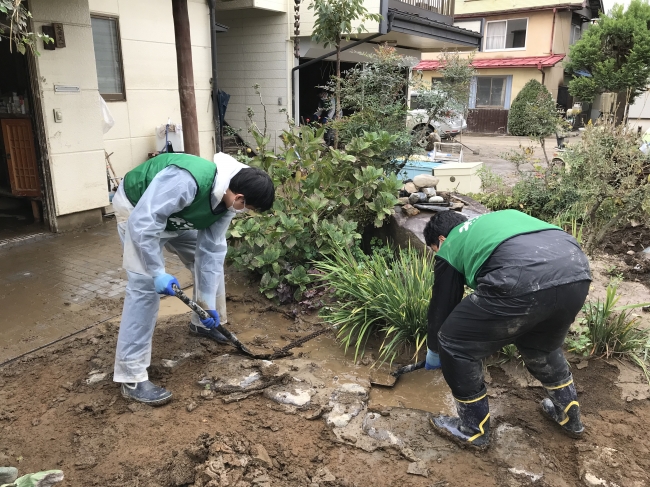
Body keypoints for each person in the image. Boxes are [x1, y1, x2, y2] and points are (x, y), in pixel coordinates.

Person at [111, 152, 274, 406]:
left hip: (173, 217)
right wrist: (156, 272)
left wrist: (206, 303)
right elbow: (144, 223)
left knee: (212, 263)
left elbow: (210, 250)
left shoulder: (228, 201)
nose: (245, 212)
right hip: (136, 210)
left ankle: (202, 321)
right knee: (144, 287)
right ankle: (131, 375)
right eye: (249, 208)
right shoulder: (187, 180)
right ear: (240, 197)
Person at [423, 209, 591, 448]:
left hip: (520, 278)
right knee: (541, 347)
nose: (437, 255)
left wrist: (435, 350)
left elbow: (443, 304)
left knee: (454, 342)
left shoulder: (452, 241)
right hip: (576, 272)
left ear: (440, 239)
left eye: (434, 251)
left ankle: (473, 430)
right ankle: (569, 417)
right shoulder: (498, 220)